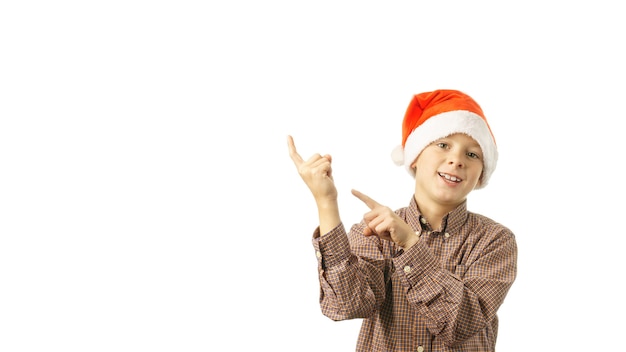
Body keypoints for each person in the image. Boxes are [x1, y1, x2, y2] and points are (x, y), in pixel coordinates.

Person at [287, 89, 518, 352]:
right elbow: (344, 305)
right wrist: (326, 203)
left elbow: (459, 325)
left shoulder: (496, 240)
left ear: (481, 175)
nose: (456, 160)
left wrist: (410, 243)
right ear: (415, 156)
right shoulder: (373, 232)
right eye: (442, 145)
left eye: (472, 154)